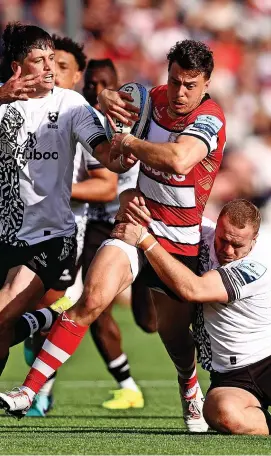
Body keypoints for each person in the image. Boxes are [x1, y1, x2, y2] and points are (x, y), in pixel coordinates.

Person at [0, 39, 226, 432]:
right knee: (91, 300)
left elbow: (179, 159)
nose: (180, 92)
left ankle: (189, 389)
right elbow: (122, 94)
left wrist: (129, 142)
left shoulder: (210, 117)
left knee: (171, 336)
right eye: (174, 81)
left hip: (179, 241)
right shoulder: (153, 98)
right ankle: (29, 390)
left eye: (190, 85)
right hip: (133, 227)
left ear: (206, 82)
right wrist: (105, 95)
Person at [0, 22, 129, 381]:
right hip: (5, 234)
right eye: (39, 60)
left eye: (52, 60)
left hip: (51, 236)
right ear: (16, 67)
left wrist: (125, 143)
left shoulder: (70, 104)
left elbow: (109, 159)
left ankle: (44, 320)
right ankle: (45, 319)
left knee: (2, 313)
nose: (48, 69)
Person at [108, 198, 271, 436]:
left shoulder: (254, 269)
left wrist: (144, 239)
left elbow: (194, 290)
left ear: (254, 241)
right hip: (231, 377)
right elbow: (164, 213)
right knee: (219, 413)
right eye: (223, 239)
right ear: (217, 225)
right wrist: (129, 198)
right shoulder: (200, 234)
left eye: (237, 244)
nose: (227, 250)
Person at [23, 38, 118, 417]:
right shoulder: (21, 109)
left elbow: (106, 184)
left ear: (78, 75)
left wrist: (52, 191)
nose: (52, 72)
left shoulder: (77, 114)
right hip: (16, 226)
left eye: (62, 66)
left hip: (61, 234)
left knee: (35, 311)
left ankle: (38, 388)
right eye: (47, 63)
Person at [82, 59, 157, 410]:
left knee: (149, 321)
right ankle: (128, 386)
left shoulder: (139, 119)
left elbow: (111, 184)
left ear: (117, 87)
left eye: (104, 84)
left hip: (138, 222)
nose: (97, 90)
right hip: (99, 227)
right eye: (92, 84)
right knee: (94, 305)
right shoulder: (81, 120)